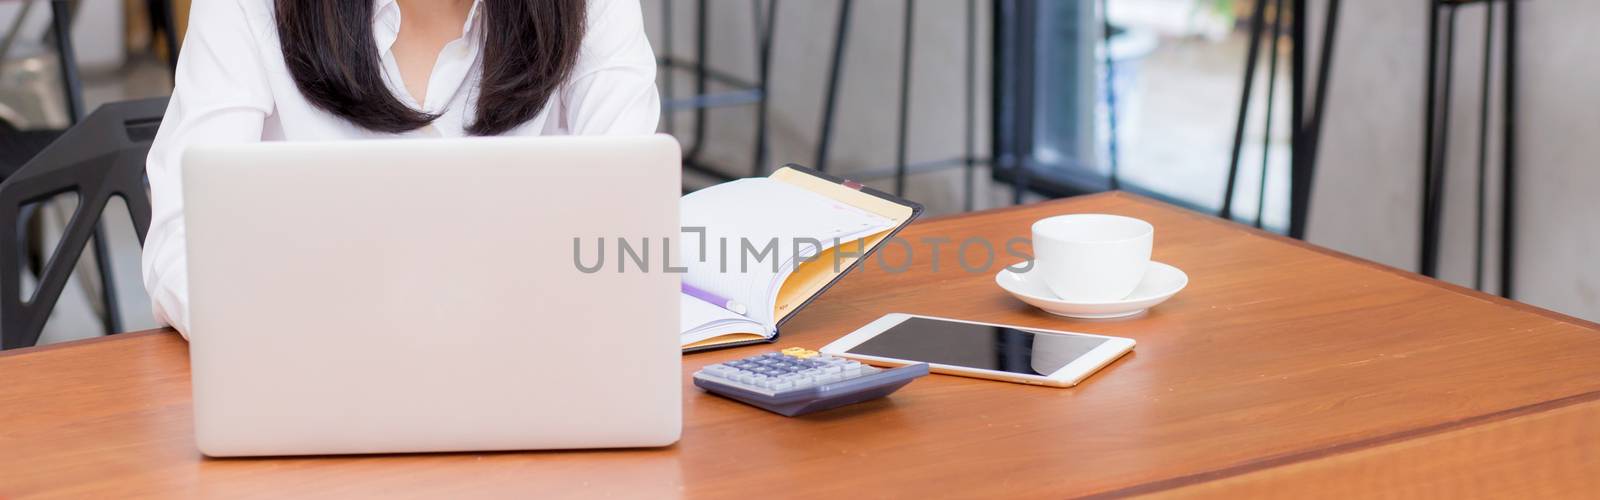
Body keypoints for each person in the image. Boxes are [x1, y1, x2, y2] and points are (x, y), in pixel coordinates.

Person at [141, 0, 659, 337]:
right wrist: (281, 338)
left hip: (535, 378)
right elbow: (183, 244)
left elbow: (628, 231)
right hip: (314, 386)